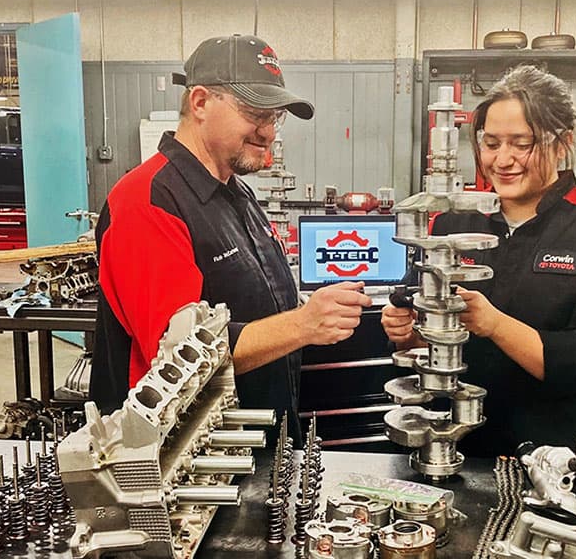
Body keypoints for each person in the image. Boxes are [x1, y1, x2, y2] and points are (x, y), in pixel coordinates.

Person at [90, 34, 372, 442]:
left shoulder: (236, 193)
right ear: (200, 102)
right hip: (184, 467)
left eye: (275, 117)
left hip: (254, 447)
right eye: (256, 112)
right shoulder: (147, 200)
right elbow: (177, 358)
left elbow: (253, 309)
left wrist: (312, 311)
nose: (268, 131)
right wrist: (303, 324)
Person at [382, 65, 576, 457]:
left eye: (522, 143)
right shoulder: (450, 220)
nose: (503, 160)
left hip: (551, 452)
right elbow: (423, 319)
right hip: (447, 442)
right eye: (491, 143)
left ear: (562, 142)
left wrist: (496, 325)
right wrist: (406, 330)